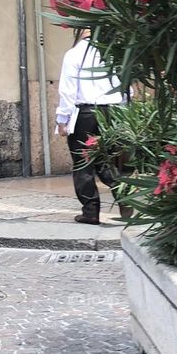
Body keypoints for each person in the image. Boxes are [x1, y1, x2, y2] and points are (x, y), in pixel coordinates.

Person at [55, 28, 128, 225]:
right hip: (112, 113)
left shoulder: (74, 54)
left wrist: (62, 120)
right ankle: (124, 201)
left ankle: (90, 211)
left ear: (80, 32)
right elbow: (124, 86)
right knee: (107, 160)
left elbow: (68, 91)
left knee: (83, 163)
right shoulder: (111, 53)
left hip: (85, 114)